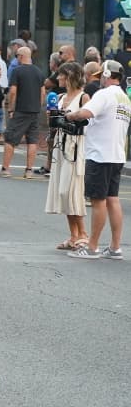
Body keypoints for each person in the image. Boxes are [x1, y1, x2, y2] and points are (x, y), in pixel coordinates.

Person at [61, 59, 130, 259]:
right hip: (117, 154)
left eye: (102, 76)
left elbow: (86, 112)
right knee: (112, 199)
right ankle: (115, 247)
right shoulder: (124, 98)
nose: (99, 79)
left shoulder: (104, 94)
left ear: (108, 76)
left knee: (98, 200)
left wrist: (70, 116)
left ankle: (92, 247)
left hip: (100, 154)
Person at [44, 61, 89, 251]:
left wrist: (70, 121)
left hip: (75, 146)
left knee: (70, 191)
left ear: (70, 76)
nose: (58, 78)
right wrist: (53, 116)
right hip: (61, 146)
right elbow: (52, 124)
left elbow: (88, 123)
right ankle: (73, 235)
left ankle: (83, 234)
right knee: (62, 193)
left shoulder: (83, 97)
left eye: (62, 75)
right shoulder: (60, 97)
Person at [1, 43, 46, 179]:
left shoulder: (17, 71)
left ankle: (5, 168)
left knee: (10, 138)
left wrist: (11, 107)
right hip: (35, 110)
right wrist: (38, 105)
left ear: (20, 56)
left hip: (21, 109)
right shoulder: (39, 71)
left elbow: (13, 91)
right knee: (32, 141)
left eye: (17, 56)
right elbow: (43, 92)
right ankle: (29, 170)